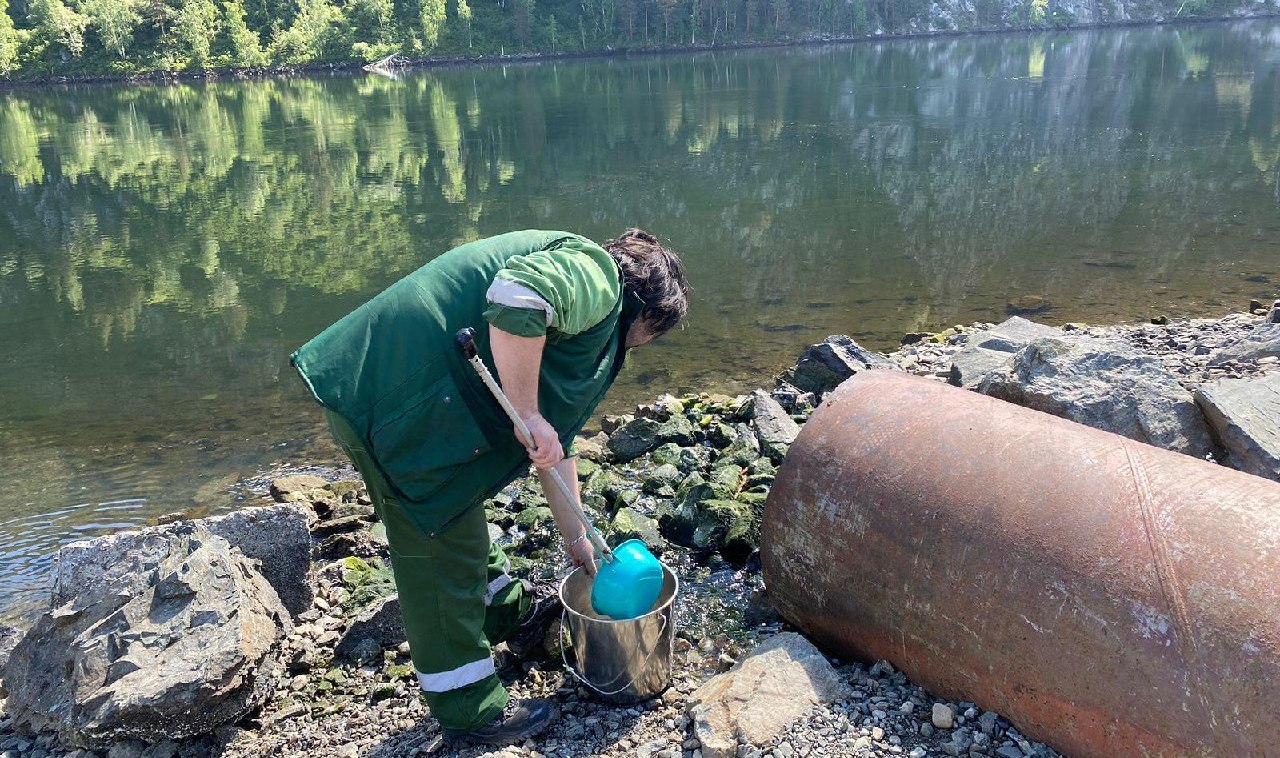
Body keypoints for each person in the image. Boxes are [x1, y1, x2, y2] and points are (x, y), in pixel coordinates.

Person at [290, 229, 689, 745]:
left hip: (418, 401)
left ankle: (509, 616)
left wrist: (578, 538)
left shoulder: (587, 322)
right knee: (438, 548)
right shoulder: (597, 277)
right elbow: (516, 296)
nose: (645, 346)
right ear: (651, 312)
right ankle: (470, 708)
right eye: (655, 334)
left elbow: (556, 443)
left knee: (456, 511)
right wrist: (525, 412)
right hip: (389, 394)